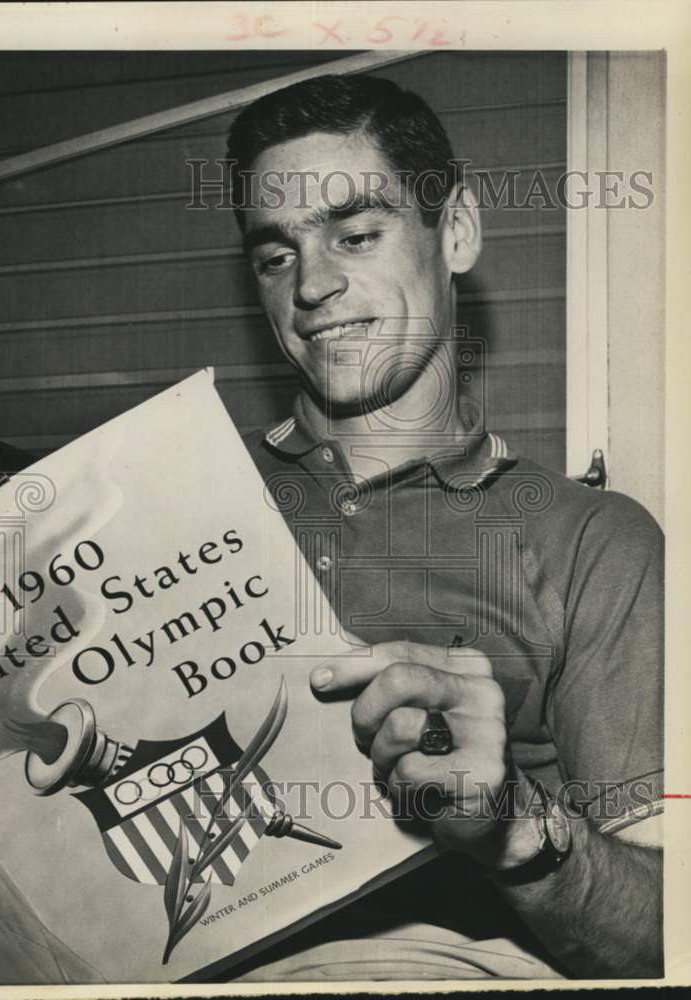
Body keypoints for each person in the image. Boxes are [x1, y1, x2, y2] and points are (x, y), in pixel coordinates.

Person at [217, 73, 664, 981]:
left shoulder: (589, 543)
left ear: (453, 230)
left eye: (356, 234)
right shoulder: (181, 502)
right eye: (275, 254)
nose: (313, 284)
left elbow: (663, 936)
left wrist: (508, 823)